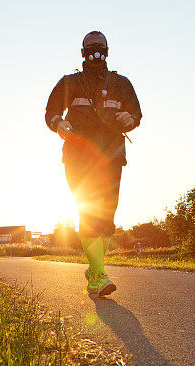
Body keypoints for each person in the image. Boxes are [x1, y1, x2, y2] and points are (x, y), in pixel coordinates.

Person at [45, 31, 142, 296]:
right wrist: (59, 123)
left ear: (107, 51)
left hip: (112, 156)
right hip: (78, 157)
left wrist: (129, 119)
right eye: (90, 48)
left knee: (107, 218)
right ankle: (98, 275)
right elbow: (50, 112)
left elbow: (137, 113)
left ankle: (94, 264)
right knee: (89, 213)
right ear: (82, 52)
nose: (95, 53)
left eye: (100, 48)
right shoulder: (69, 83)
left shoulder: (122, 83)